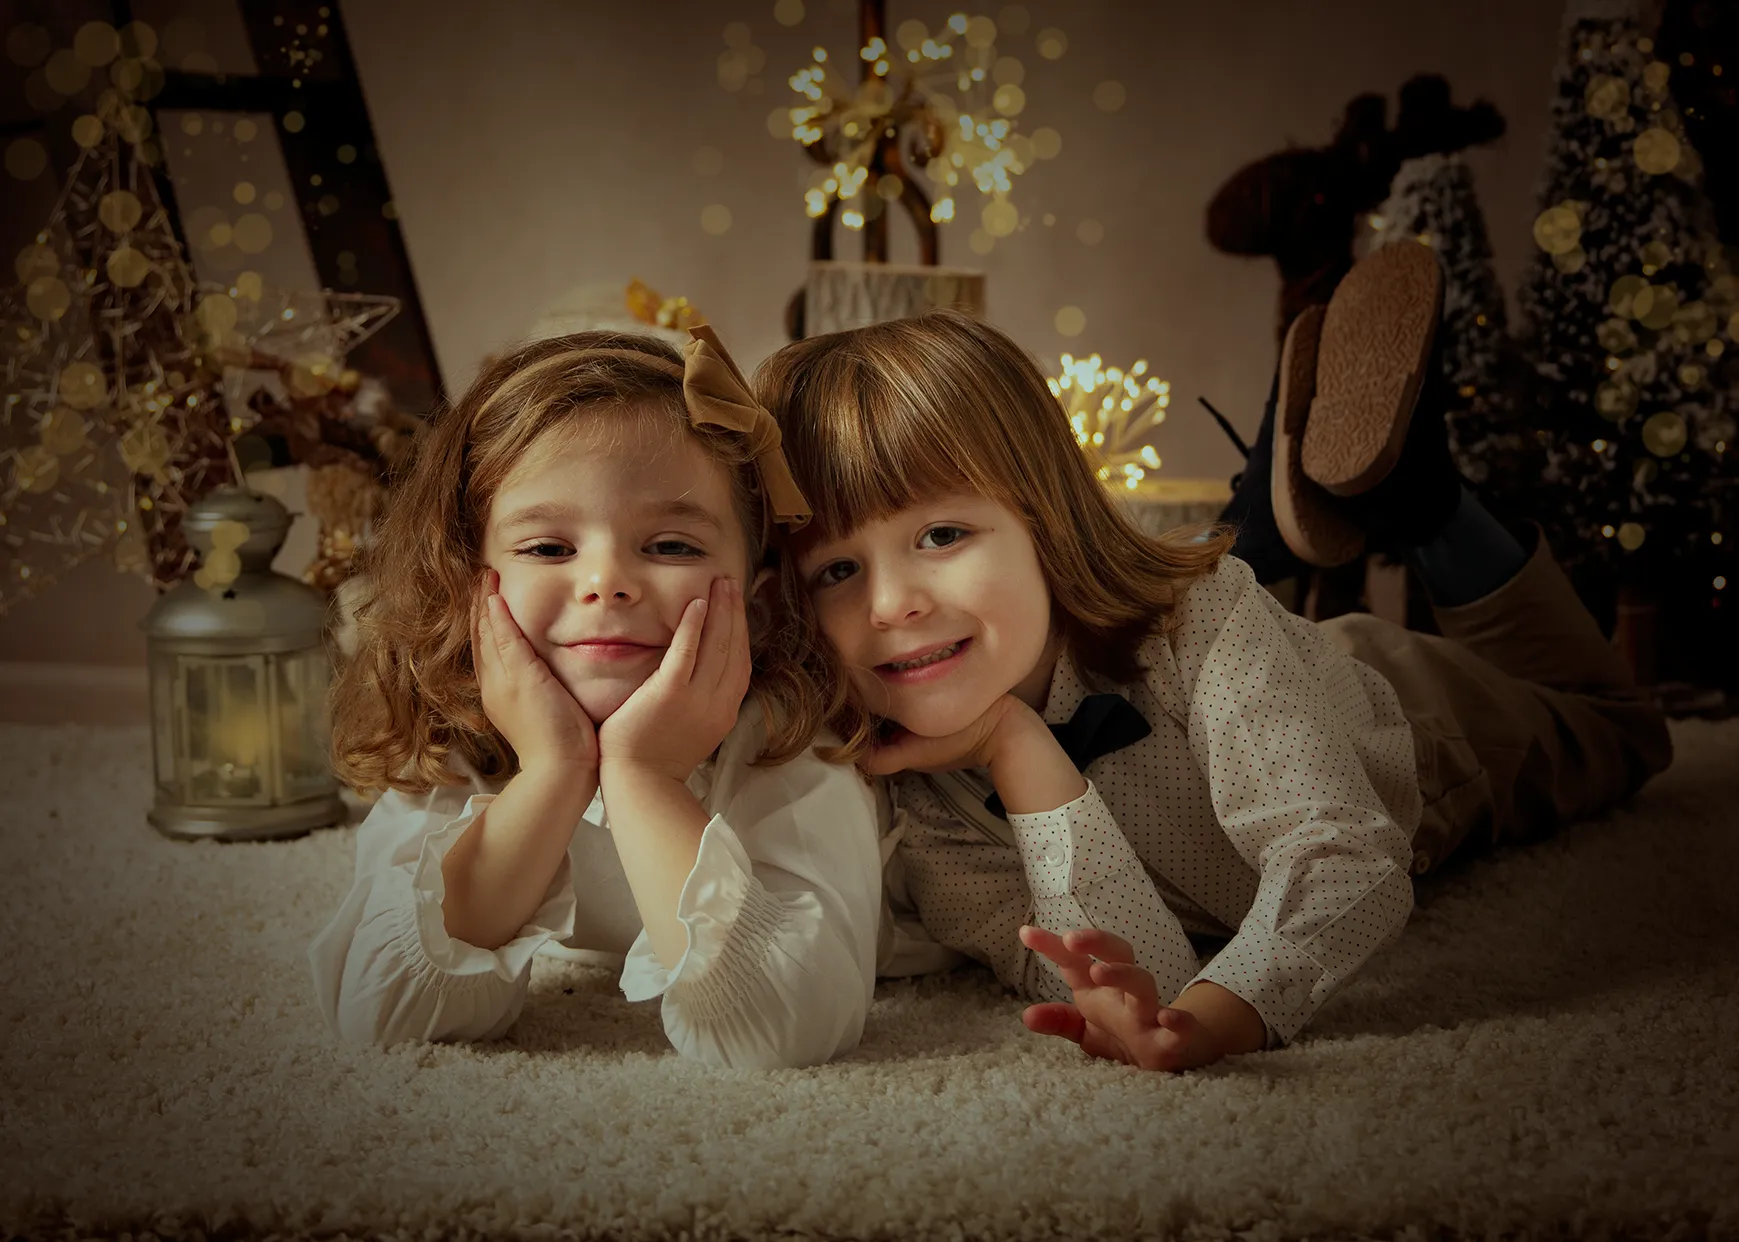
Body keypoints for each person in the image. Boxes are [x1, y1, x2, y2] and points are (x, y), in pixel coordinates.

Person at [752, 243, 1672, 1071]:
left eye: (941, 534)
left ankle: (1426, 501)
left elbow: (1344, 853)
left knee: (1622, 727)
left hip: (1413, 722)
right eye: (836, 570)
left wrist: (1233, 1016)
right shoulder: (925, 818)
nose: (890, 605)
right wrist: (1017, 748)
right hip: (1247, 674)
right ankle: (1281, 498)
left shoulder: (1201, 618)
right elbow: (1137, 982)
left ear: (1045, 518)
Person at [309, 326, 884, 1070]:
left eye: (671, 546)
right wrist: (553, 771)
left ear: (757, 601)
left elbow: (784, 1028)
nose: (606, 582)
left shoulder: (787, 746)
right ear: (462, 584)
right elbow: (382, 1016)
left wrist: (645, 776)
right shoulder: (456, 737)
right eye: (548, 548)